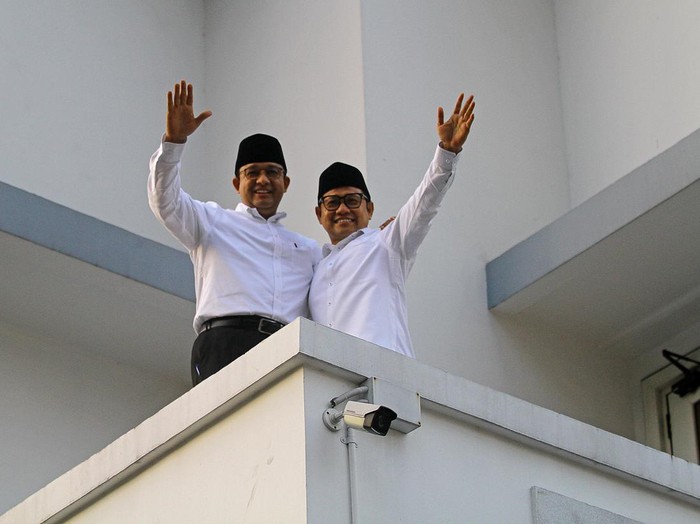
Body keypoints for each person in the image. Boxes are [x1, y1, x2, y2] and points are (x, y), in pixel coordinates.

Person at [148, 80, 321, 385]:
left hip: (286, 351)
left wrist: (377, 235)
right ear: (236, 183)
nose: (263, 180)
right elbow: (165, 202)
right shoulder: (212, 221)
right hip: (224, 343)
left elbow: (340, 282)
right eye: (252, 172)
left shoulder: (308, 249)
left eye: (272, 172)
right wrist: (174, 142)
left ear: (286, 183)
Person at [309, 93, 475, 358]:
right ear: (319, 214)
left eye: (352, 200)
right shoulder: (314, 270)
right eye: (332, 202)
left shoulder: (386, 244)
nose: (342, 209)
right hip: (333, 380)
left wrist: (447, 153)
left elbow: (424, 205)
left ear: (370, 209)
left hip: (385, 374)